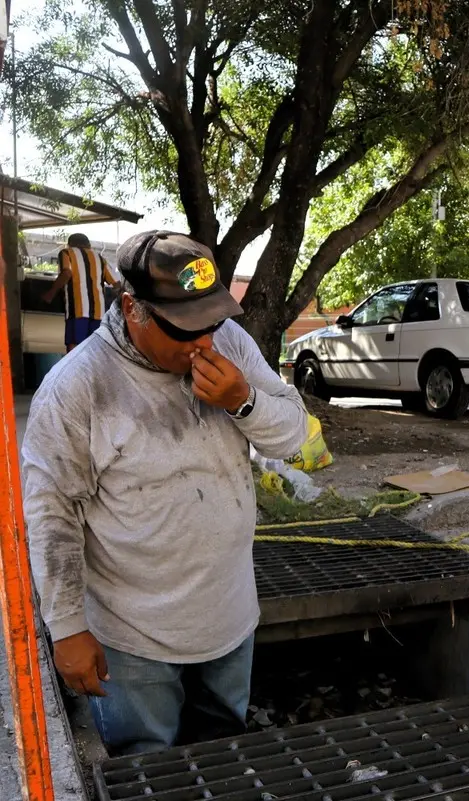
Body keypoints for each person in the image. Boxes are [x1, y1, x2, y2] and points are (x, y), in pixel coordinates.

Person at [22, 230, 309, 756]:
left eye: (213, 322)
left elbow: (294, 433)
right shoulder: (77, 388)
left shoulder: (232, 347)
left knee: (224, 757)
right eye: (185, 329)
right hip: (135, 641)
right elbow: (51, 513)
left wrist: (242, 400)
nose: (205, 342)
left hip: (229, 617)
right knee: (146, 769)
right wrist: (66, 628)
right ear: (133, 309)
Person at [41, 232, 122, 352]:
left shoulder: (67, 252)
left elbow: (67, 272)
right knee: (94, 348)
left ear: (70, 244)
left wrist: (50, 294)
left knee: (74, 347)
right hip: (98, 313)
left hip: (77, 309)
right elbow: (117, 284)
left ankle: (74, 370)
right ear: (88, 244)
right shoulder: (100, 258)